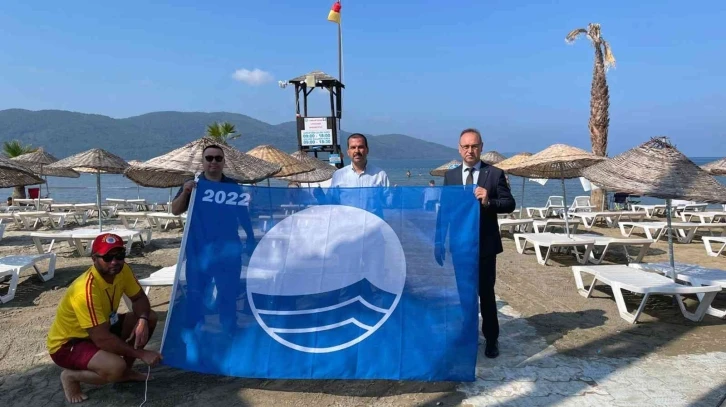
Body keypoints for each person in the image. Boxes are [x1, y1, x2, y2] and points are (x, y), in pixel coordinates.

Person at [46, 233, 162, 404]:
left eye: (119, 255)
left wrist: (143, 321)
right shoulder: (85, 291)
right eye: (107, 257)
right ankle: (71, 377)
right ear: (94, 259)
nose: (114, 262)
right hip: (68, 344)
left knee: (149, 316)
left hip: (102, 327)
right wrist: (141, 353)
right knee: (115, 367)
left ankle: (126, 372)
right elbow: (102, 339)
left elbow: (139, 298)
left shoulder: (123, 270)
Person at [435, 128, 515, 359]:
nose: (470, 150)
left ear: (481, 147)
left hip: (485, 247)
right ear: (459, 149)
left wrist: (489, 201)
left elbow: (509, 204)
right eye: (466, 146)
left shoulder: (494, 174)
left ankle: (491, 338)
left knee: (486, 294)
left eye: (474, 146)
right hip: (460, 246)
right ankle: (466, 334)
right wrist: (439, 240)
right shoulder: (450, 177)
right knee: (464, 294)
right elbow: (445, 210)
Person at [329, 133, 390, 217]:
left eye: (360, 147)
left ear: (367, 150)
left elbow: (388, 203)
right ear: (348, 152)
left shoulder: (380, 175)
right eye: (353, 147)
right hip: (348, 222)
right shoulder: (339, 175)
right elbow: (331, 202)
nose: (357, 151)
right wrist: (319, 196)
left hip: (373, 223)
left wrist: (396, 195)